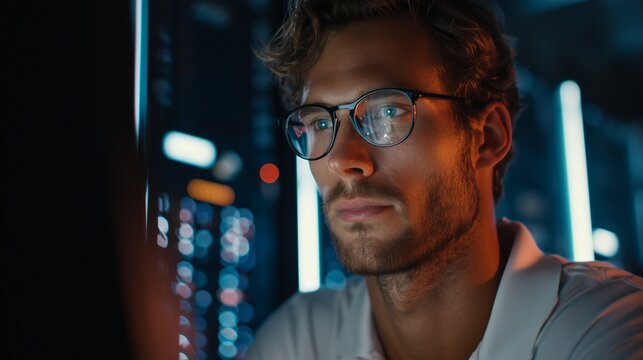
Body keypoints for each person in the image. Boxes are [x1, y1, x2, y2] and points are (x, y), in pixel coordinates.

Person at [246, 0, 643, 359]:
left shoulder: (608, 327)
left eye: (387, 112)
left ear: (487, 137)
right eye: (319, 122)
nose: (343, 160)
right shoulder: (299, 339)